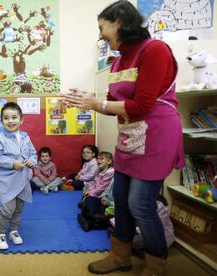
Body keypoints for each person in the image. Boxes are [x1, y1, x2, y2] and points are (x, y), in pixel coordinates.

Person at [61, 1, 184, 275]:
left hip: (155, 138)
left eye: (102, 28)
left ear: (118, 21)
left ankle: (156, 263)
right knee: (121, 198)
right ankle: (120, 257)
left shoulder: (155, 50)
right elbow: (110, 104)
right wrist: (86, 101)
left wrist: (96, 105)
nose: (100, 35)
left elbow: (141, 106)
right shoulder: (117, 60)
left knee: (140, 204)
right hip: (129, 138)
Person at [0, 102, 37, 250]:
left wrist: (32, 161)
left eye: (14, 117)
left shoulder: (25, 136)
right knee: (8, 208)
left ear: (21, 119)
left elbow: (33, 153)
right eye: (6, 118)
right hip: (7, 179)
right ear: (1, 120)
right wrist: (12, 163)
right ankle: (0, 234)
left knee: (19, 207)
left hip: (22, 178)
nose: (10, 121)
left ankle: (14, 231)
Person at [77, 152, 114, 232]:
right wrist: (90, 191)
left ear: (109, 161)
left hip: (104, 198)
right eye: (98, 159)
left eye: (102, 159)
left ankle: (88, 220)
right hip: (100, 196)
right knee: (88, 196)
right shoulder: (100, 171)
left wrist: (91, 193)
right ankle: (87, 217)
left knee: (90, 201)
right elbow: (96, 184)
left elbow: (102, 188)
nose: (99, 161)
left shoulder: (110, 173)